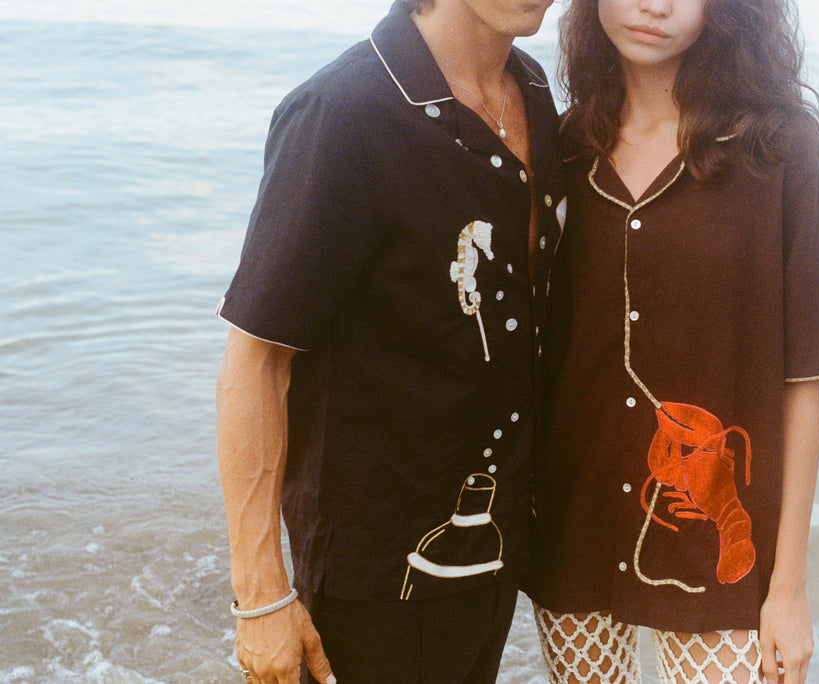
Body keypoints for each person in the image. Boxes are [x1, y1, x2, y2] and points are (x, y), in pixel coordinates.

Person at [523, 0, 819, 682]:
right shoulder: (565, 147)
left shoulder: (784, 153)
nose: (655, 6)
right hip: (576, 526)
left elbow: (802, 382)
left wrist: (790, 589)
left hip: (724, 556)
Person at [215, 0, 565, 680]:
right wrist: (260, 596)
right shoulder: (343, 112)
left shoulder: (532, 90)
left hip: (492, 549)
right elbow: (258, 362)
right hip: (372, 576)